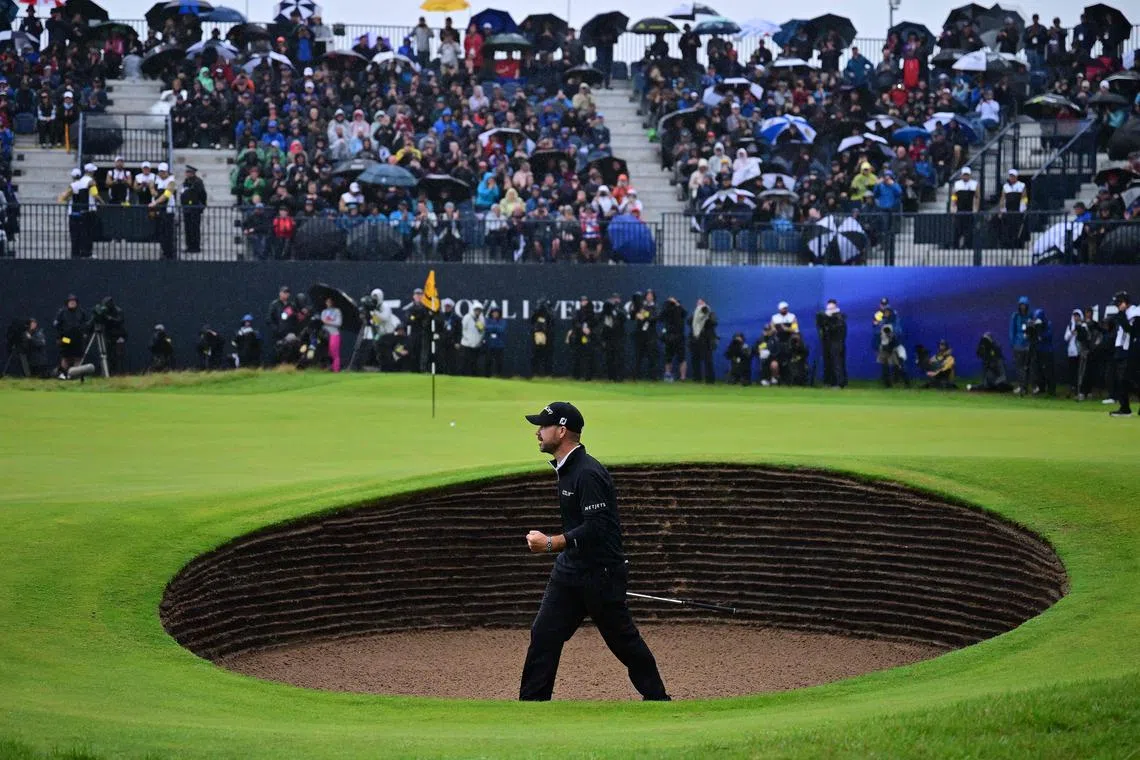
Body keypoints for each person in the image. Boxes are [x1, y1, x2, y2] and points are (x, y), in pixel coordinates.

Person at [519, 402, 670, 702]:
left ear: (561, 431)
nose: (537, 432)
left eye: (543, 426)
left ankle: (658, 700)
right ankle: (531, 708)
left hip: (600, 575)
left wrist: (550, 543)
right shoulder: (567, 469)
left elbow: (596, 528)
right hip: (569, 572)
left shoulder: (587, 473)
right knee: (544, 635)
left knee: (624, 642)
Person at [58, 164, 101, 259]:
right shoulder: (87, 183)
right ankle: (85, 252)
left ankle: (76, 254)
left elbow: (62, 199)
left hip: (73, 212)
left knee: (75, 235)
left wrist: (62, 197)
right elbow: (95, 194)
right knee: (85, 233)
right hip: (84, 211)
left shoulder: (73, 185)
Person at [1109, 291, 1140, 417]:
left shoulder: (1135, 312)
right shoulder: (1123, 314)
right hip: (1121, 349)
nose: (1117, 306)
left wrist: (1121, 315)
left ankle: (1125, 408)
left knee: (1130, 380)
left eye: (1118, 303)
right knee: (1123, 380)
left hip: (1131, 350)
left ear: (1124, 302)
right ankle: (1125, 407)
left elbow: (1131, 330)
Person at [53, 294, 87, 378]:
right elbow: (56, 325)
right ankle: (64, 374)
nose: (72, 303)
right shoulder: (62, 312)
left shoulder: (81, 312)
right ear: (67, 303)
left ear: (76, 303)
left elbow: (85, 324)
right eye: (70, 301)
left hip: (78, 340)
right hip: (66, 339)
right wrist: (59, 338)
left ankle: (74, 375)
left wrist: (84, 334)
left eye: (74, 301)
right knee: (66, 357)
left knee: (78, 357)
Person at [816, 299, 847, 388]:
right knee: (827, 362)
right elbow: (820, 325)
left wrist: (831, 320)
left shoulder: (840, 317)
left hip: (837, 343)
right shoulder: (824, 316)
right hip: (827, 343)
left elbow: (837, 329)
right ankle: (829, 382)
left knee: (837, 363)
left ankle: (839, 383)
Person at [150, 162, 177, 259]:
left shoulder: (171, 181)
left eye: (163, 172)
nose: (162, 174)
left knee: (168, 234)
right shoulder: (156, 178)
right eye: (160, 172)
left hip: (168, 210)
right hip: (159, 210)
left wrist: (155, 202)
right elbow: (151, 186)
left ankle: (169, 254)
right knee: (161, 233)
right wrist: (153, 191)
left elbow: (167, 195)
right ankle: (163, 252)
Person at [949, 166, 979, 250]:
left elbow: (977, 197)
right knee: (957, 229)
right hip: (959, 210)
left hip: (969, 210)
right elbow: (954, 196)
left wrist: (975, 208)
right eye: (964, 175)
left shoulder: (974, 184)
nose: (966, 176)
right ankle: (955, 246)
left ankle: (968, 246)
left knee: (969, 230)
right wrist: (953, 206)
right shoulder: (957, 184)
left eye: (967, 175)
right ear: (961, 175)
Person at [688, 297, 717, 384]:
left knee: (708, 359)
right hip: (696, 339)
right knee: (695, 359)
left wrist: (707, 317)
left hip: (706, 339)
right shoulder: (695, 314)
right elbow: (689, 322)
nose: (700, 305)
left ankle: (710, 379)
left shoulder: (710, 313)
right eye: (698, 303)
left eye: (701, 303)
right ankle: (697, 378)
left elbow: (714, 323)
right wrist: (696, 316)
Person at [181, 165, 207, 254]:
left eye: (188, 172)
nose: (187, 174)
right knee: (187, 229)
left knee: (194, 229)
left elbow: (203, 195)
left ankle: (195, 247)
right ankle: (189, 246)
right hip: (187, 209)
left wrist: (202, 206)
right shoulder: (185, 182)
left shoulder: (198, 182)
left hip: (195, 208)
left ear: (192, 173)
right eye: (186, 172)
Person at [599, 293, 626, 382]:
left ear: (619, 300)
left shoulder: (621, 309)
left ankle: (619, 377)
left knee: (618, 358)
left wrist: (615, 310)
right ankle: (611, 377)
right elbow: (601, 318)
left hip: (618, 337)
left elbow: (624, 318)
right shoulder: (606, 310)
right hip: (608, 337)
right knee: (609, 358)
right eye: (613, 299)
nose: (615, 300)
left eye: (617, 299)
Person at [1009, 296, 1032, 393]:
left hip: (1027, 345)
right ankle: (1021, 386)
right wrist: (1013, 343)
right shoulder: (1015, 316)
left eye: (1024, 305)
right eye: (1021, 305)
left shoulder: (1030, 316)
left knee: (1026, 367)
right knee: (1019, 367)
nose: (1023, 307)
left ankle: (1025, 387)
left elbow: (1032, 331)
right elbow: (1012, 331)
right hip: (1018, 345)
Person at [530, 299, 555, 377]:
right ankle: (535, 373)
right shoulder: (537, 312)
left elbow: (552, 321)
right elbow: (531, 319)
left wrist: (547, 310)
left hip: (548, 335)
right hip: (537, 334)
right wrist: (537, 310)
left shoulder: (550, 312)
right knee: (536, 355)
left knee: (547, 355)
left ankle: (547, 373)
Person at [460, 300, 485, 375]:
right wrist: (469, 340)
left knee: (474, 363)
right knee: (465, 363)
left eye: (479, 310)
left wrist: (478, 341)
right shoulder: (467, 317)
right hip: (466, 345)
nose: (478, 311)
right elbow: (463, 330)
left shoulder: (482, 318)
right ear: (473, 310)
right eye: (476, 310)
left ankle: (474, 377)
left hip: (477, 346)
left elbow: (482, 331)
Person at [320, 296, 343, 372]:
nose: (328, 303)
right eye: (327, 301)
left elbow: (338, 323)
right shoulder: (323, 312)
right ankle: (326, 368)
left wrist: (328, 322)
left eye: (330, 301)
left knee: (334, 352)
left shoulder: (337, 311)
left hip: (334, 334)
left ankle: (336, 369)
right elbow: (322, 321)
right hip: (325, 334)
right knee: (326, 352)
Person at [483, 306, 507, 377]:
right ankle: (487, 377)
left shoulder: (503, 321)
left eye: (497, 312)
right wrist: (495, 327)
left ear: (499, 313)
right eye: (494, 312)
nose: (495, 314)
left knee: (499, 363)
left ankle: (498, 376)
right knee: (488, 362)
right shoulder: (487, 320)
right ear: (491, 313)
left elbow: (501, 329)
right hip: (489, 345)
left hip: (499, 345)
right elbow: (485, 328)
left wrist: (491, 327)